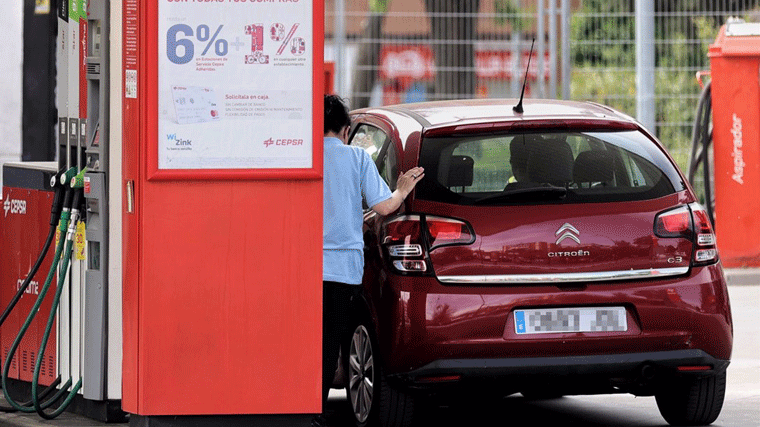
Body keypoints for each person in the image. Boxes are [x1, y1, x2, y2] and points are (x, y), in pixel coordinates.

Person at [315, 95, 424, 427]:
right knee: (330, 342)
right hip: (343, 270)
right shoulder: (356, 159)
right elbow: (385, 207)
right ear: (346, 130)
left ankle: (304, 406)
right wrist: (403, 188)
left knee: (308, 340)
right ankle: (316, 411)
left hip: (306, 268)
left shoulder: (305, 158)